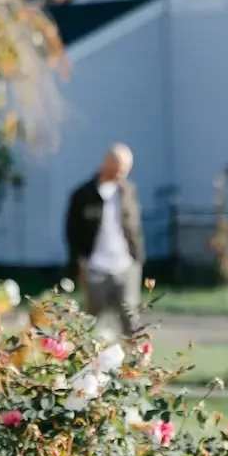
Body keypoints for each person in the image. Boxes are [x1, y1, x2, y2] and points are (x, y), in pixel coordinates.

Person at [64, 144, 144, 337]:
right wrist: (79, 264)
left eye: (125, 170)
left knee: (131, 321)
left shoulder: (128, 191)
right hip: (95, 267)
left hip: (125, 265)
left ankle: (133, 365)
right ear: (107, 164)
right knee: (91, 322)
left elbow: (135, 228)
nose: (121, 174)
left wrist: (138, 259)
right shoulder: (83, 194)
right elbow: (72, 232)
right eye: (118, 168)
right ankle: (91, 365)